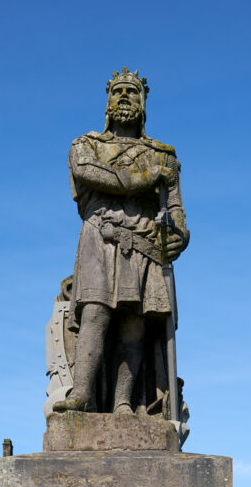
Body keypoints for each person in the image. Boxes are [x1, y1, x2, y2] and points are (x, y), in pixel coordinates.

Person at [53, 68, 189, 416]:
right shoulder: (86, 146)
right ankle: (82, 393)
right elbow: (91, 174)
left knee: (134, 324)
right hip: (101, 237)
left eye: (132, 92)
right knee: (95, 313)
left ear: (143, 103)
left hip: (144, 243)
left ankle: (124, 401)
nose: (125, 97)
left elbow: (176, 209)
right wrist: (147, 176)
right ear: (108, 101)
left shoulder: (164, 155)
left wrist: (179, 236)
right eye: (118, 91)